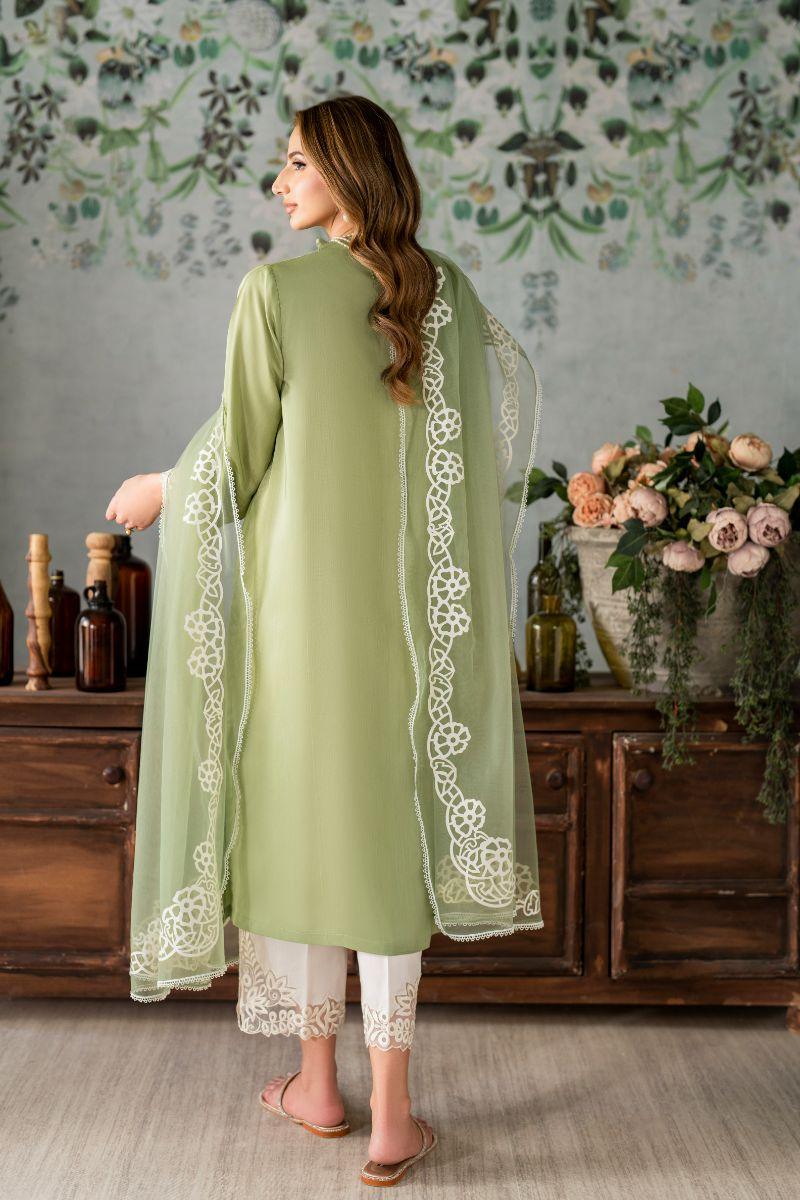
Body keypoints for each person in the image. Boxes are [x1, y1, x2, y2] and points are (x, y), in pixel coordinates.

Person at [106, 94, 544, 1187]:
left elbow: (241, 450)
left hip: (300, 631)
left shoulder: (275, 293)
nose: (279, 182)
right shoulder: (446, 293)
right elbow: (480, 458)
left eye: (296, 162)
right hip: (420, 636)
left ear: (349, 171)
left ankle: (318, 1086)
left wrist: (164, 484)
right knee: (386, 849)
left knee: (302, 837)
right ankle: (391, 1115)